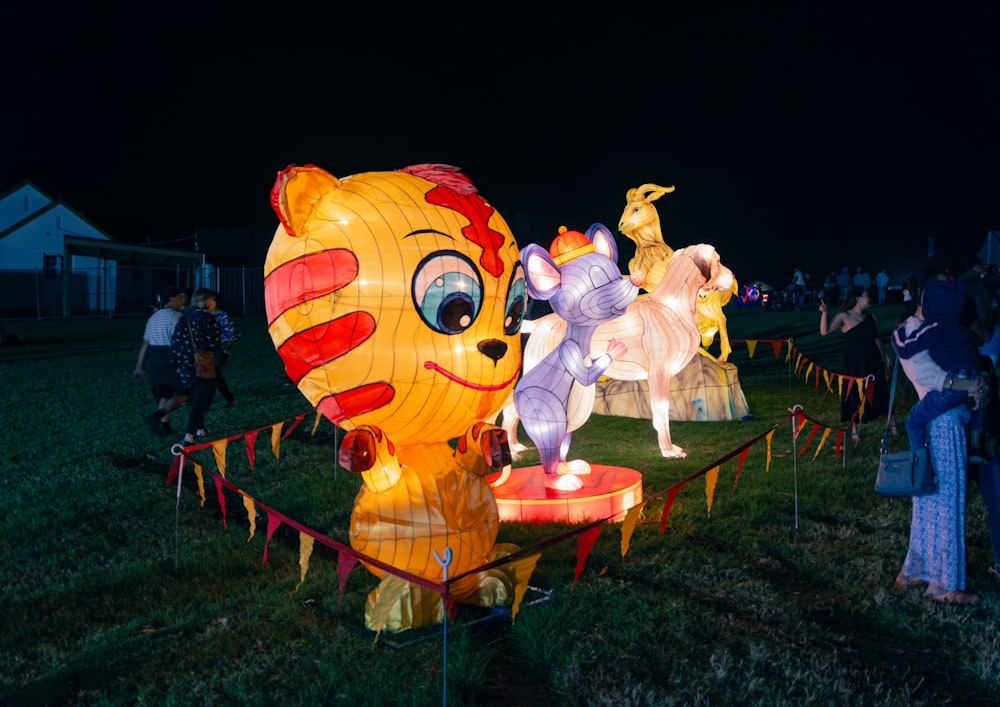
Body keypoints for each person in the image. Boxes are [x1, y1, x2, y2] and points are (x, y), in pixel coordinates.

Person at [893, 295, 985, 604]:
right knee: (949, 499)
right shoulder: (917, 333)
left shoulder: (925, 331)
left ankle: (920, 570)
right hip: (944, 422)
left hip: (941, 420)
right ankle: (946, 585)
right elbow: (930, 377)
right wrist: (969, 386)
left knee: (931, 498)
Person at [891, 278, 983, 455]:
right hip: (971, 382)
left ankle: (919, 460)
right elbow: (973, 356)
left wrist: (898, 333)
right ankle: (976, 445)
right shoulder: (962, 329)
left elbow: (905, 348)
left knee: (914, 421)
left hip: (949, 389)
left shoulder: (933, 328)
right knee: (977, 408)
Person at [818, 286, 893, 443]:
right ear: (858, 298)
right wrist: (824, 313)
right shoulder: (844, 317)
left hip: (872, 359)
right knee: (854, 393)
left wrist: (885, 357)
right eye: (866, 296)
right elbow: (824, 332)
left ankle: (892, 426)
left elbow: (877, 339)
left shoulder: (871, 317)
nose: (869, 298)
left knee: (880, 389)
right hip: (854, 362)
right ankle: (854, 431)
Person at [170, 287, 222, 445]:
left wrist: (177, 362)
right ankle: (189, 434)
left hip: (186, 365)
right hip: (202, 364)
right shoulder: (208, 319)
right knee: (200, 400)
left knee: (197, 396)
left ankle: (200, 428)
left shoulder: (184, 318)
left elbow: (175, 341)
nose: (214, 303)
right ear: (205, 301)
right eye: (212, 299)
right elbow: (213, 342)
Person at [134, 285, 188, 436]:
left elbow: (145, 344)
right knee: (183, 394)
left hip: (154, 358)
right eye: (180, 298)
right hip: (169, 356)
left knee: (165, 395)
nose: (182, 301)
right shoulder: (176, 317)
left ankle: (165, 427)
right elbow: (180, 341)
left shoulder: (153, 318)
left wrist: (139, 366)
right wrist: (181, 362)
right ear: (172, 299)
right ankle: (155, 417)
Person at [205, 290, 239, 407]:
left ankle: (206, 401)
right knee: (214, 374)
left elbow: (231, 334)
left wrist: (218, 341)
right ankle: (229, 399)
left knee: (213, 373)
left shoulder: (223, 315)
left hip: (220, 350)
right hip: (206, 350)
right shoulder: (204, 316)